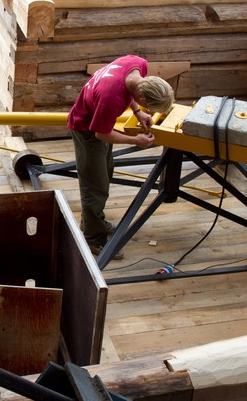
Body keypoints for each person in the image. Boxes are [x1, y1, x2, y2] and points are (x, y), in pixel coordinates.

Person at [67, 55, 175, 257]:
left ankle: (93, 222)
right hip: (86, 129)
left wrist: (137, 112)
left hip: (98, 120)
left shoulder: (137, 64)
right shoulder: (111, 98)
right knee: (95, 186)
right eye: (147, 107)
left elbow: (130, 94)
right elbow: (101, 133)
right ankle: (93, 239)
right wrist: (136, 140)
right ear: (143, 97)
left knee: (106, 173)